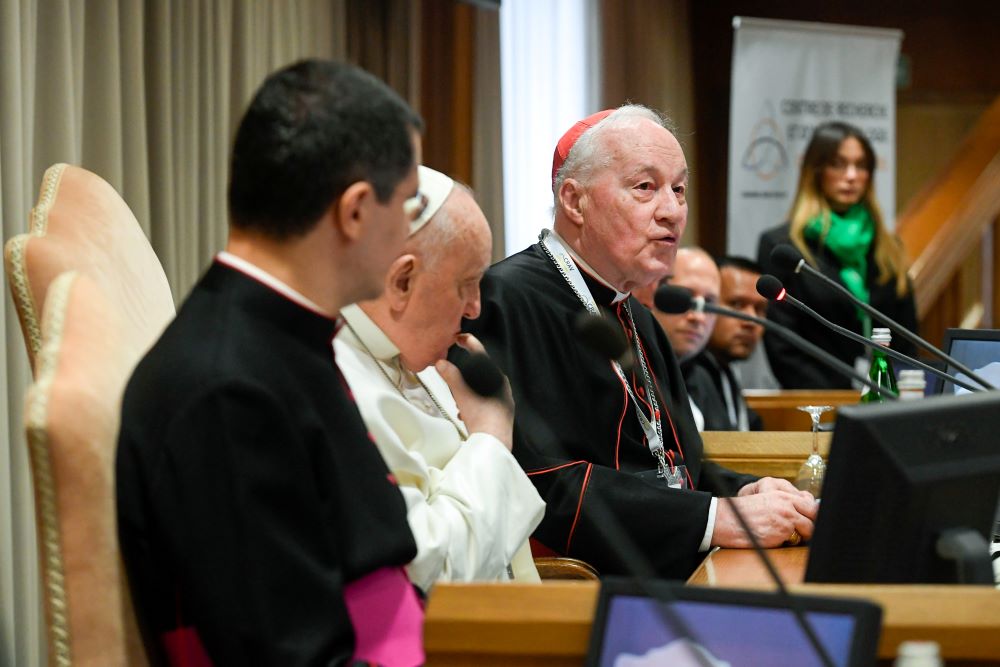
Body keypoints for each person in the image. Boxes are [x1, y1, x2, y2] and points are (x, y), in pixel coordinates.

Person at [116, 60, 430, 666]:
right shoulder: (226, 391)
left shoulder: (283, 339)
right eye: (409, 205)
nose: (409, 234)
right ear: (357, 210)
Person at [463, 105, 818, 579]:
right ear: (574, 201)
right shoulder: (507, 299)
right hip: (583, 592)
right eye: (645, 187)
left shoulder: (638, 316)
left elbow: (673, 465)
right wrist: (718, 518)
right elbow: (540, 485)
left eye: (679, 189)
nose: (671, 210)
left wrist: (745, 493)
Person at [334, 166, 545, 592]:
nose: (475, 308)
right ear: (401, 281)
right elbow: (431, 577)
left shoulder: (423, 356)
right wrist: (489, 436)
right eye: (466, 284)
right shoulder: (339, 380)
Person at [758, 121, 917, 389]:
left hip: (887, 398)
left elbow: (907, 338)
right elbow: (782, 344)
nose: (852, 175)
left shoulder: (889, 247)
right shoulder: (782, 246)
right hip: (819, 401)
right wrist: (842, 397)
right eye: (838, 164)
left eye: (861, 165)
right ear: (816, 171)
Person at [632, 247, 726, 431]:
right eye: (685, 298)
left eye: (708, 303)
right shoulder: (628, 369)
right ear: (651, 293)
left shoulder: (702, 376)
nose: (698, 317)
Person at [689, 256, 769, 432]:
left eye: (760, 309)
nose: (751, 320)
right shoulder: (689, 374)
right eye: (737, 304)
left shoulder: (726, 370)